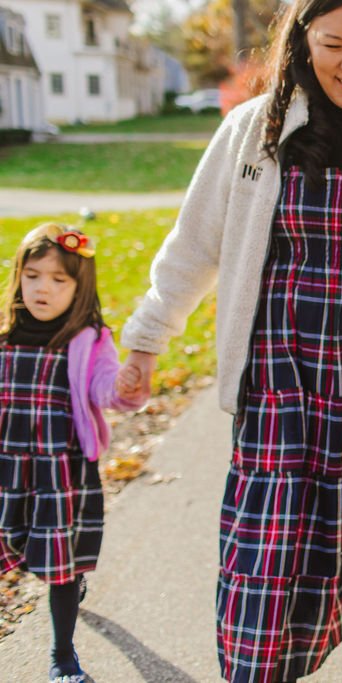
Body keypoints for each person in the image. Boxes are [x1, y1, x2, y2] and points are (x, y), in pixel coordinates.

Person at [116, 0, 342, 680]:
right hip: (277, 387)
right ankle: (256, 667)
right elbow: (194, 245)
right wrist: (146, 342)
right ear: (301, 41)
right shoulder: (254, 130)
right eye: (334, 43)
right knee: (264, 556)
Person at [0, 223, 146, 683]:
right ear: (19, 277)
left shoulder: (88, 337)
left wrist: (123, 387)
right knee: (13, 544)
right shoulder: (5, 335)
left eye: (59, 280)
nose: (43, 288)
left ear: (79, 287)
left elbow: (106, 388)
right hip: (7, 470)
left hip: (60, 471)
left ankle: (62, 656)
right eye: (33, 276)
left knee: (60, 566)